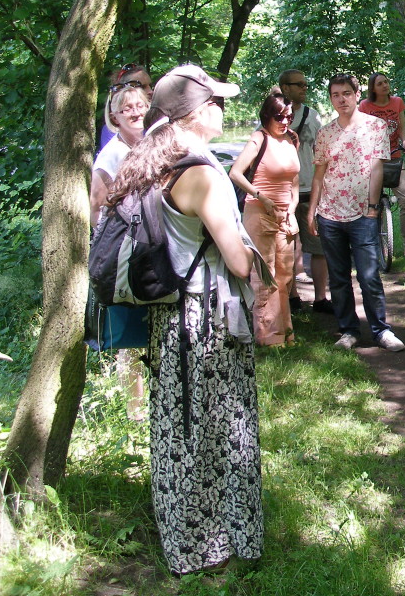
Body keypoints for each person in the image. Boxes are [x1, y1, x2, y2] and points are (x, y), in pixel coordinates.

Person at [107, 64, 264, 575]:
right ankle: (220, 543)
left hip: (172, 319)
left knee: (182, 427)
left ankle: (187, 540)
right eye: (216, 101)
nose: (223, 107)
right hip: (209, 320)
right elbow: (238, 261)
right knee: (222, 428)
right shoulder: (202, 175)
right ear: (195, 113)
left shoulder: (157, 161)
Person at [308, 73, 405, 352]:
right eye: (336, 95)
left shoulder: (376, 127)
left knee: (369, 275)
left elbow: (377, 169)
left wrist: (373, 207)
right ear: (330, 99)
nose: (341, 99)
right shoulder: (325, 133)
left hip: (363, 213)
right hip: (329, 215)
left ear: (356, 94)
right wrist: (311, 210)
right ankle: (348, 330)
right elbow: (319, 174)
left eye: (346, 93)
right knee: (338, 277)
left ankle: (381, 331)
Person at [89, 84, 151, 421]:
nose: (136, 112)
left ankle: (160, 398)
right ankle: (134, 408)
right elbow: (96, 208)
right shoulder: (111, 155)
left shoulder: (153, 145)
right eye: (128, 108)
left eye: (141, 105)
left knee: (153, 322)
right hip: (125, 252)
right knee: (128, 332)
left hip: (152, 248)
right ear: (115, 115)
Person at [230, 92, 300, 347]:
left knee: (285, 276)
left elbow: (293, 180)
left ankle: (286, 333)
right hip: (260, 214)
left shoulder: (291, 140)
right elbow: (235, 173)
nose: (285, 122)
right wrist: (261, 197)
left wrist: (292, 207)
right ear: (267, 116)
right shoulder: (259, 138)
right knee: (265, 276)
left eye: (289, 117)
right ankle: (267, 337)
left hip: (285, 217)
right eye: (279, 117)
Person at [278, 70, 332, 314]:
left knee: (318, 246)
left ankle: (321, 299)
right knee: (286, 246)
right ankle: (292, 297)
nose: (304, 88)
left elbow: (324, 151)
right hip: (282, 191)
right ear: (285, 87)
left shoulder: (312, 116)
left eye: (305, 84)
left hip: (311, 189)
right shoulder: (271, 115)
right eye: (299, 85)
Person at [359, 72, 405, 257]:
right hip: (372, 160)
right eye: (380, 83)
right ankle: (367, 246)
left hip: (394, 158)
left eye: (386, 82)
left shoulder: (397, 102)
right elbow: (359, 131)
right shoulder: (364, 106)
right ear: (372, 88)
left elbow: (402, 128)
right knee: (368, 204)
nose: (385, 85)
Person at [100, 63, 152, 147]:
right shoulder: (111, 132)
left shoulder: (157, 118)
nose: (150, 91)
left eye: (150, 85)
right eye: (142, 87)